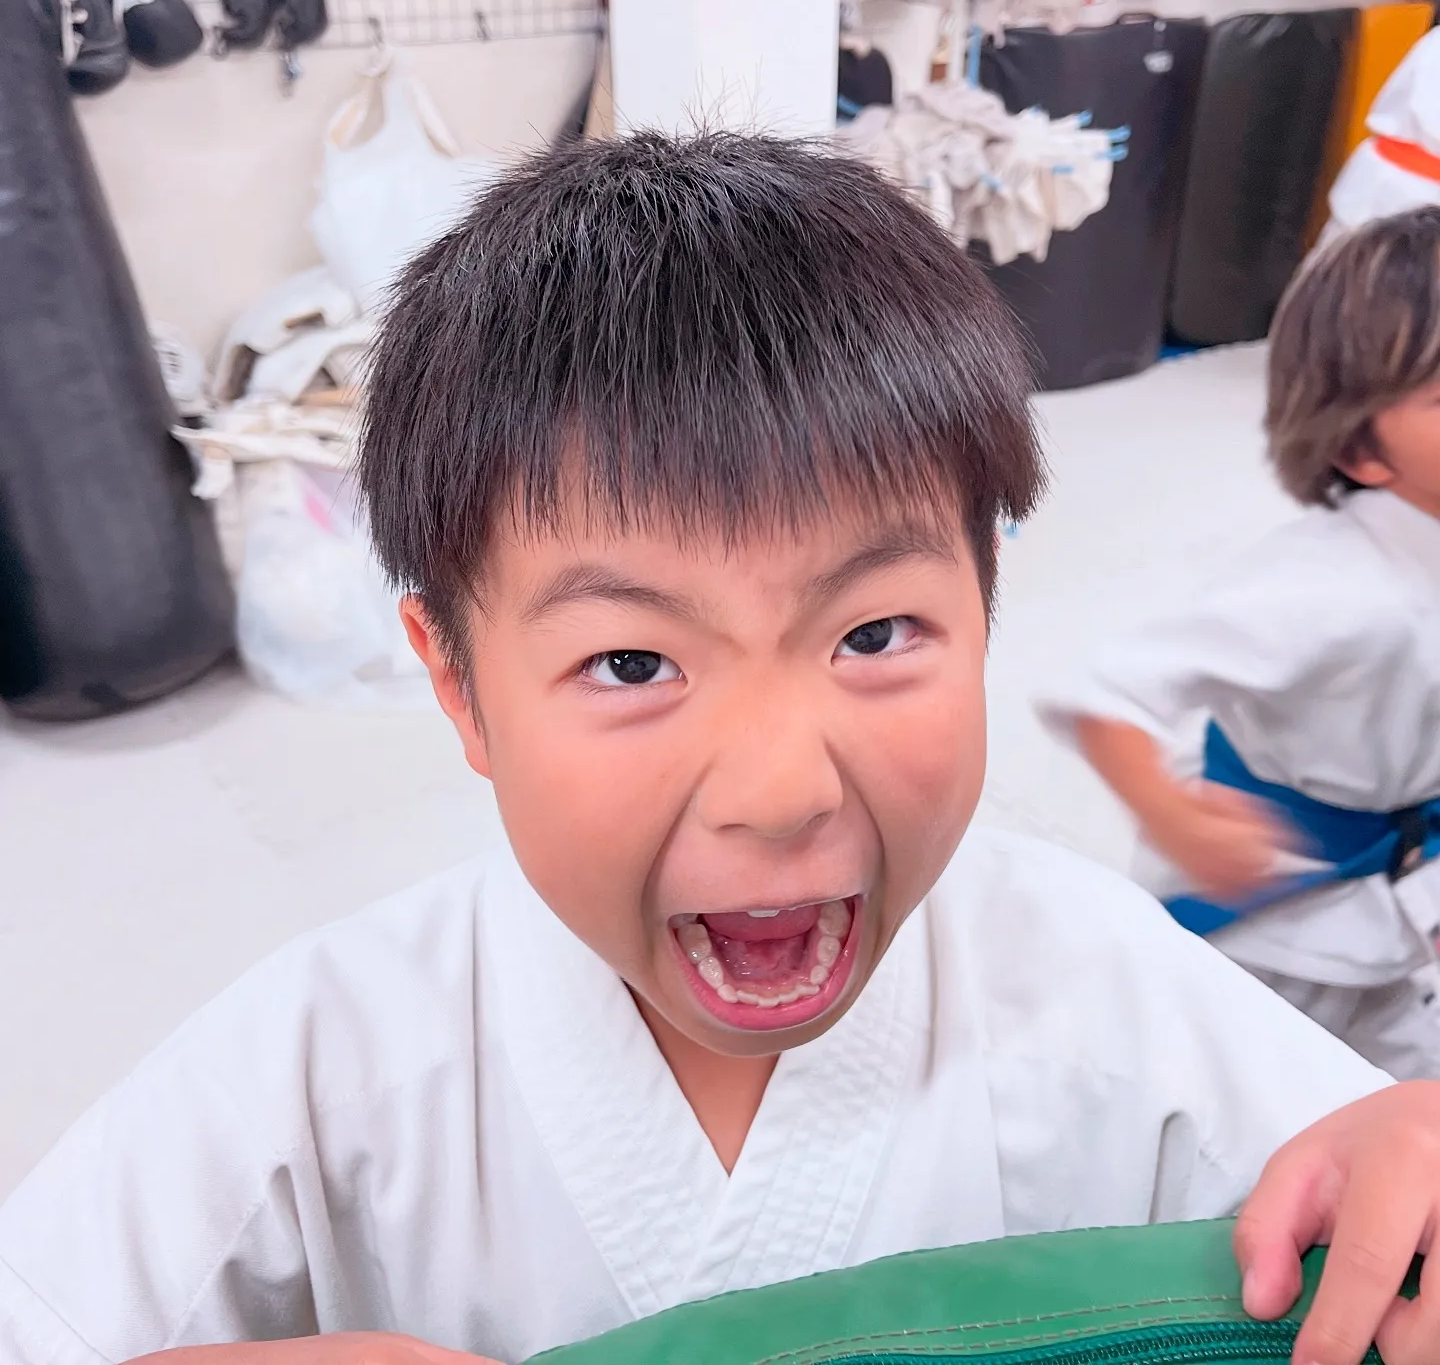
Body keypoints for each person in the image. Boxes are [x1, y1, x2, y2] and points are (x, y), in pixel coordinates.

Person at [1, 135, 1439, 1365]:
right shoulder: (326, 1069)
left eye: (875, 635)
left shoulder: (1092, 982)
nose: (780, 788)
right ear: (456, 684)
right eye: (632, 663)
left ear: (987, 612)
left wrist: (1409, 1149)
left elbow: (1373, 1186)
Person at [1039, 207, 1440, 1081]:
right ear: (1362, 448)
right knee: (1229, 1087)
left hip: (1400, 913)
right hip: (1282, 918)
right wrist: (1175, 818)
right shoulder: (1330, 589)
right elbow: (1103, 693)